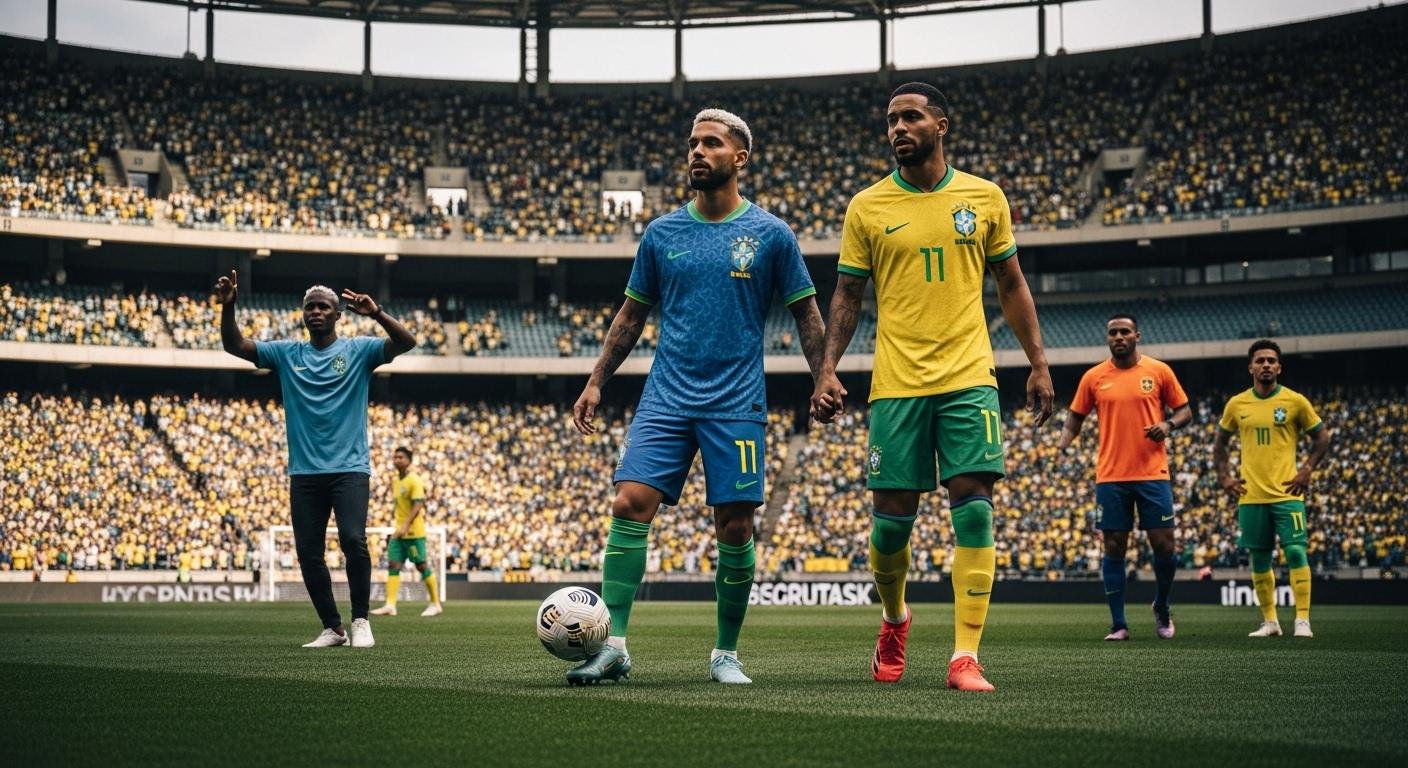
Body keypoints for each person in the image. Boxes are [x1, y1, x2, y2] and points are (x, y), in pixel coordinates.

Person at [568, 108, 827, 685]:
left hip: (736, 401)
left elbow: (806, 311)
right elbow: (631, 315)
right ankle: (614, 645)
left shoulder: (770, 234)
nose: (697, 152)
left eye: (711, 143)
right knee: (629, 503)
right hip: (667, 396)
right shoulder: (662, 234)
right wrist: (596, 380)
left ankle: (725, 653)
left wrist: (824, 375)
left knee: (734, 526)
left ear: (740, 157)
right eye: (692, 143)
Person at [811, 82, 1055, 692]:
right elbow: (846, 295)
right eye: (891, 119)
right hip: (896, 383)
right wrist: (827, 370)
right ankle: (894, 620)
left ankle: (964, 657)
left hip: (970, 376)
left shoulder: (985, 197)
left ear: (941, 125)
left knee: (974, 509)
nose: (897, 127)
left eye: (910, 117)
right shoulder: (866, 206)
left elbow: (1012, 283)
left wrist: (1039, 362)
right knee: (891, 524)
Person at [216, 271, 416, 648]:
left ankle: (361, 621)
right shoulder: (287, 354)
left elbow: (407, 342)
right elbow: (235, 345)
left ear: (338, 314)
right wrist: (229, 308)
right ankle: (333, 627)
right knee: (309, 552)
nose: (317, 311)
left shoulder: (359, 350)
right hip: (305, 473)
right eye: (310, 307)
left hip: (350, 469)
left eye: (325, 306)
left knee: (354, 541)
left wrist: (377, 314)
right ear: (303, 314)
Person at [1058, 314, 1192, 641]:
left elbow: (1185, 411)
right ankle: (1119, 624)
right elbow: (1075, 418)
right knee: (1114, 546)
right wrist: (1062, 445)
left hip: (1152, 473)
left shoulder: (1159, 372)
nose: (1118, 337)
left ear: (1137, 336)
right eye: (1113, 332)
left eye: (1125, 332)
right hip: (1111, 475)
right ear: (1108, 338)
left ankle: (1161, 604)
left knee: (1165, 546)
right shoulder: (1094, 377)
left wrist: (1168, 425)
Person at [1213, 339, 1330, 638]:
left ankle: (1302, 620)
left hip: (1287, 494)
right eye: (1261, 361)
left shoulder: (1295, 401)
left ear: (1279, 367)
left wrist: (1306, 469)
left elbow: (1322, 437)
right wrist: (1225, 477)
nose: (1266, 365)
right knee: (1260, 558)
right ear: (1250, 366)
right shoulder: (1237, 404)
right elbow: (1220, 442)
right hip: (1251, 496)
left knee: (1294, 552)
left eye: (1271, 361)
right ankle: (1271, 622)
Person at [371, 446, 442, 618]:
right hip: (399, 532)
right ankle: (390, 605)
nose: (397, 460)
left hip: (413, 533)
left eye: (401, 457)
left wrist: (405, 526)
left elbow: (418, 504)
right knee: (394, 565)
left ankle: (435, 603)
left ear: (409, 461)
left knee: (421, 565)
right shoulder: (396, 480)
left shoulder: (414, 480)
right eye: (395, 457)